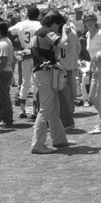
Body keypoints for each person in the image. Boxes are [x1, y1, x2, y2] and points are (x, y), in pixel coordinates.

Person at [30, 11, 75, 154]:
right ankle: (37, 145)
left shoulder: (40, 32)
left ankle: (59, 139)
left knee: (54, 108)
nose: (59, 27)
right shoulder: (46, 31)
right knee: (46, 109)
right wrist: (65, 32)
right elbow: (64, 44)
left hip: (44, 72)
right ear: (53, 22)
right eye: (58, 24)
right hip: (44, 73)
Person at [9, 5, 41, 119]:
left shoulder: (20, 24)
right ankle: (33, 110)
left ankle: (22, 110)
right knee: (36, 82)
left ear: (27, 14)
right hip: (36, 54)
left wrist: (17, 44)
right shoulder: (38, 24)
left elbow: (8, 32)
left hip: (25, 52)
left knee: (25, 82)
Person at [0, 21, 14, 128]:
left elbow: (3, 61)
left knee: (3, 97)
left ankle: (7, 119)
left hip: (2, 72)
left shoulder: (3, 44)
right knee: (1, 96)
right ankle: (1, 117)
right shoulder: (4, 42)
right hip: (5, 71)